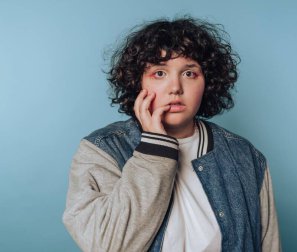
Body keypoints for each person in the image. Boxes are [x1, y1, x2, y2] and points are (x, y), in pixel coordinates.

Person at [63, 16, 281, 252]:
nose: (175, 88)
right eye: (159, 73)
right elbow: (110, 246)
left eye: (189, 74)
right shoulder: (102, 151)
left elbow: (268, 246)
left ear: (207, 82)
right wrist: (155, 150)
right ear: (137, 82)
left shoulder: (245, 156)